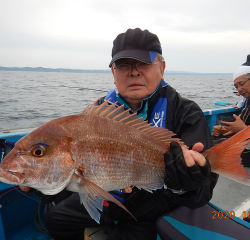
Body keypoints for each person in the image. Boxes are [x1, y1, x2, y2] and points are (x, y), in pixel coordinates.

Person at [23, 28, 218, 240]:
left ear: (161, 68)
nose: (134, 72)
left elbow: (201, 195)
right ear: (113, 73)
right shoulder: (97, 112)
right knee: (56, 219)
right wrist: (32, 181)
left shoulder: (185, 113)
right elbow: (73, 173)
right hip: (105, 199)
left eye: (143, 63)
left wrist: (186, 184)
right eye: (123, 65)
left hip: (151, 207)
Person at [212, 54, 250, 138]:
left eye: (241, 84)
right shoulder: (248, 101)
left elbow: (244, 129)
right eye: (236, 86)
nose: (239, 89)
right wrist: (227, 130)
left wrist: (242, 129)